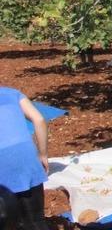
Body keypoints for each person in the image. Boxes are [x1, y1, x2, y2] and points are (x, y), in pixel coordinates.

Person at [0, 87, 50, 230]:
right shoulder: (12, 93)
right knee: (36, 221)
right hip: (27, 160)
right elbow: (39, 119)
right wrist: (43, 154)